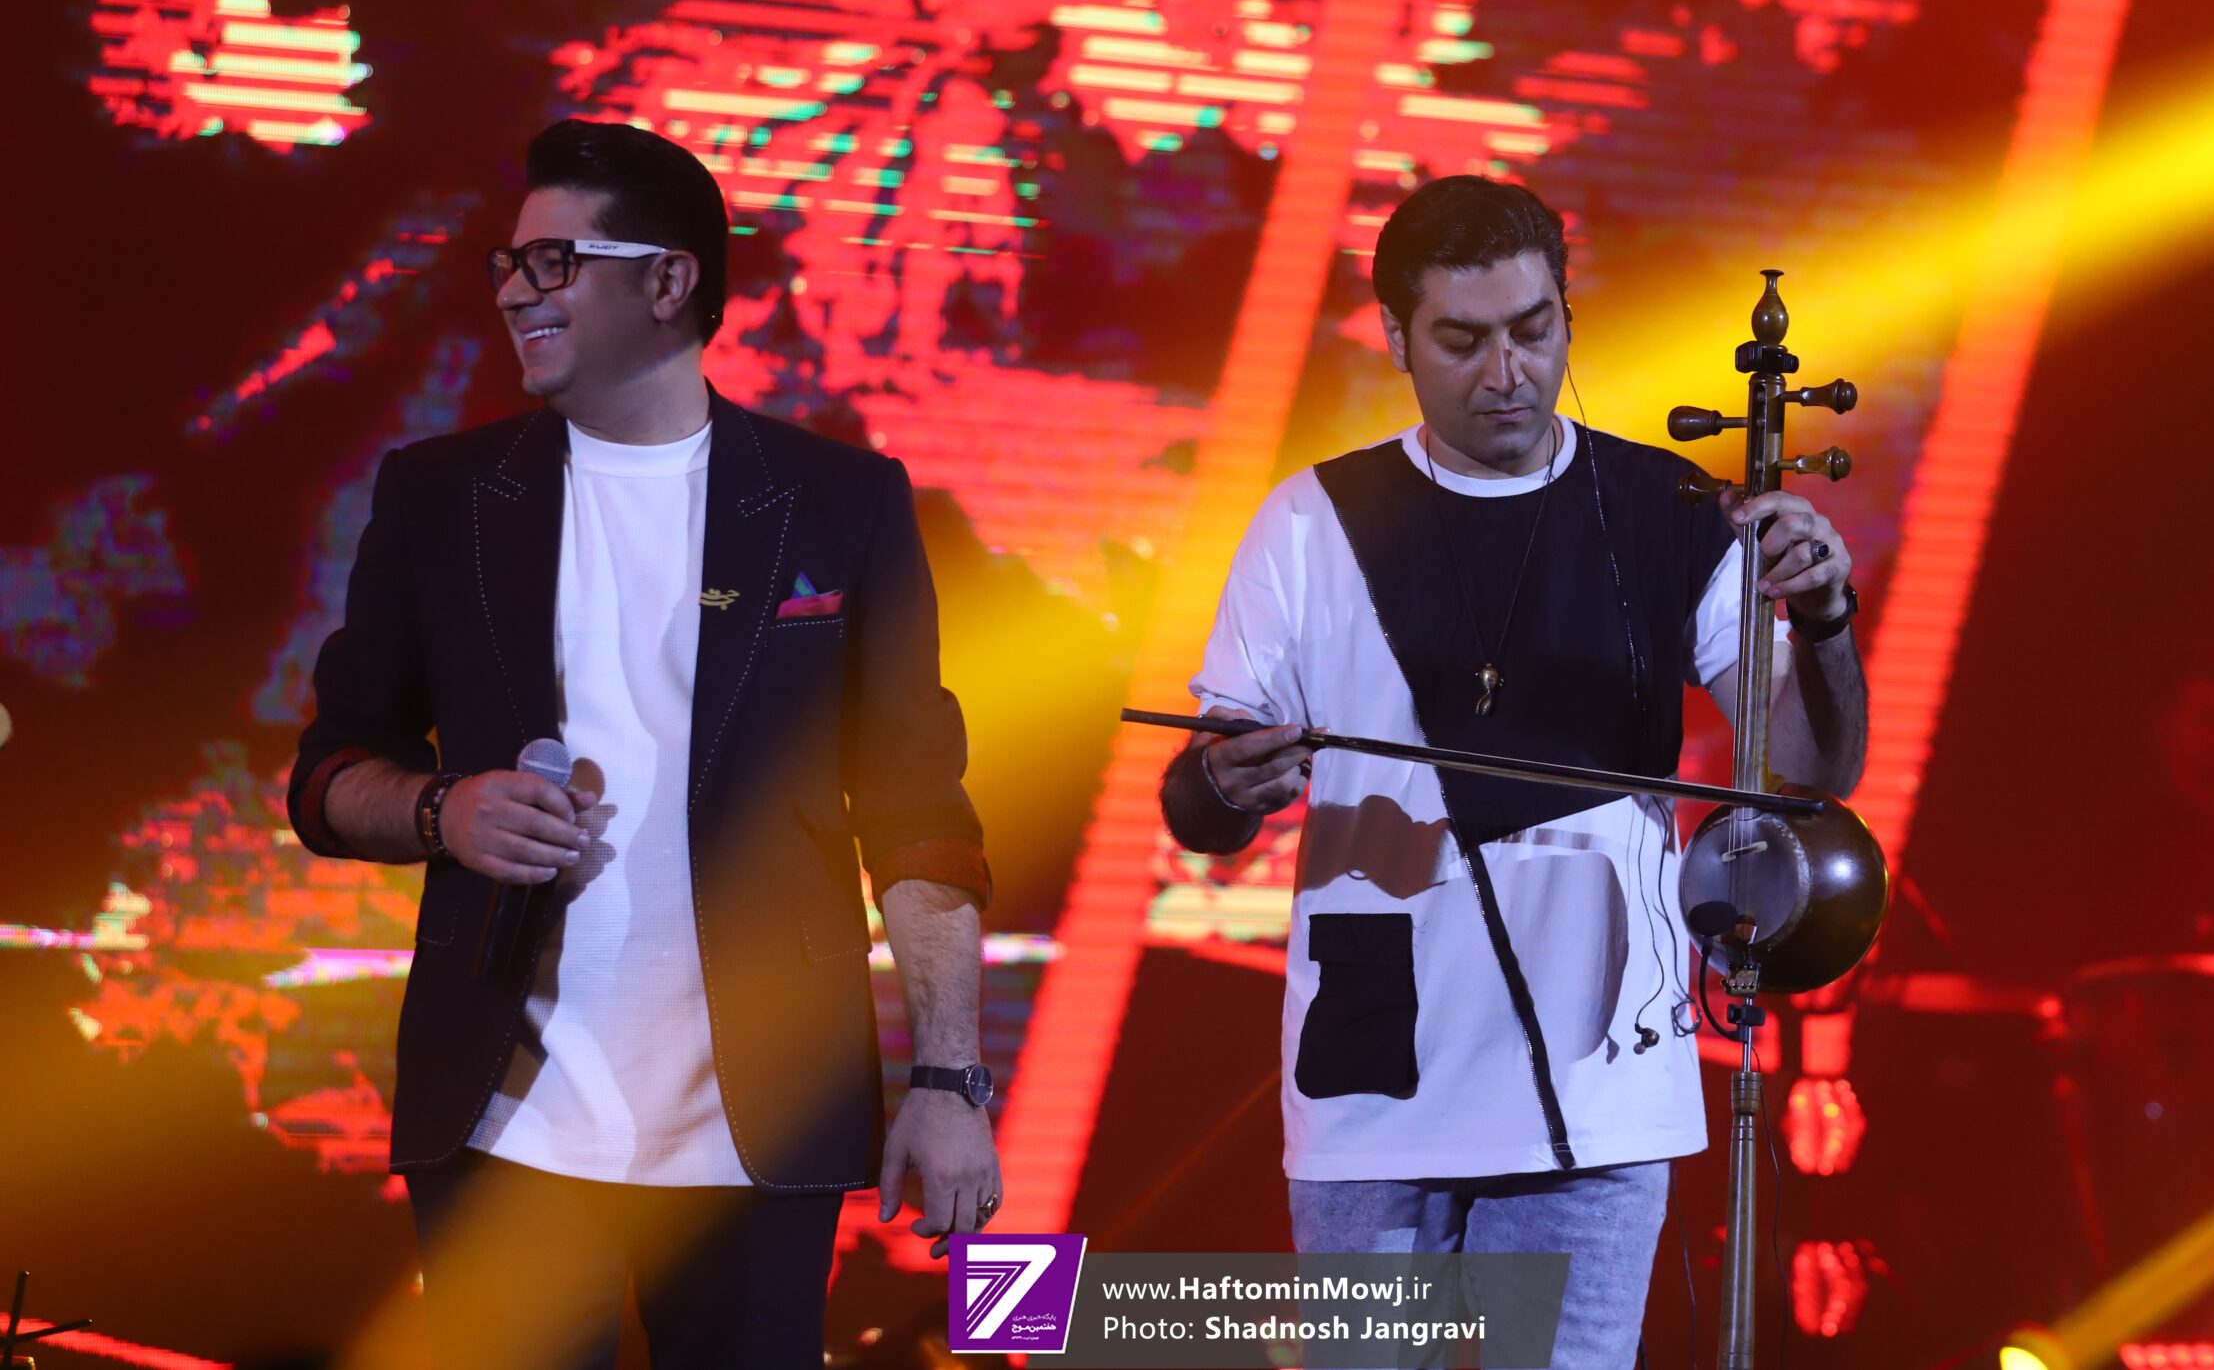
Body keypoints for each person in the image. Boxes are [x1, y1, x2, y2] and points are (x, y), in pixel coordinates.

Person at [287, 119, 1000, 1369]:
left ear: (670, 281)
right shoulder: (441, 496)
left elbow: (917, 811)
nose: (516, 292)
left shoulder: (842, 500)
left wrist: (947, 1084)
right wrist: (443, 810)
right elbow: (329, 774)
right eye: (508, 266)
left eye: (553, 262)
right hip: (504, 1126)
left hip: (759, 1125)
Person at [1158, 176, 1866, 1366]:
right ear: (1396, 339)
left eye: (1533, 332)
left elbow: (1802, 773)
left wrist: (1829, 617)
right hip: (1374, 1076)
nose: (1506, 372)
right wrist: (1228, 783)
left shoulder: (1669, 508)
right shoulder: (1311, 521)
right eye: (1463, 341)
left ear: (1567, 319)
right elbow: (1200, 803)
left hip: (1598, 1077)